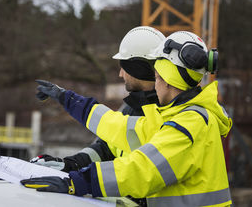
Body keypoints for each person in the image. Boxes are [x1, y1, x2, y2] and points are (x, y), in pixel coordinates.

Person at [22, 31, 233, 207]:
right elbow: (118, 127)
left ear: (167, 82)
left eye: (158, 77)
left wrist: (77, 182)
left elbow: (142, 169)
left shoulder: (191, 123)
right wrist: (67, 98)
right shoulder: (175, 116)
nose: (155, 81)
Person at [30, 26, 165, 175]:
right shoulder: (133, 106)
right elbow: (107, 147)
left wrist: (67, 99)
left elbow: (117, 129)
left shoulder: (167, 112)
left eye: (123, 67)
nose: (120, 74)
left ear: (138, 70)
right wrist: (71, 164)